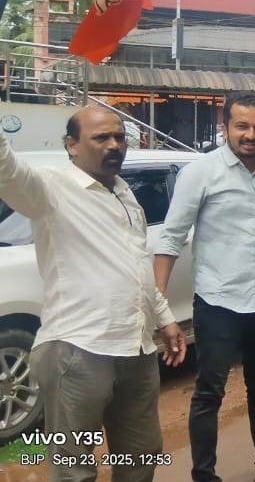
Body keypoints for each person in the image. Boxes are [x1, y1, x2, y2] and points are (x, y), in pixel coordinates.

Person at [0, 109, 184, 482]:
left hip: (137, 350)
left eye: (119, 137)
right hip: (78, 351)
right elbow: (8, 171)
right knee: (74, 467)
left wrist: (165, 319)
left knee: (141, 457)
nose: (114, 145)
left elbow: (136, 267)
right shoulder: (50, 188)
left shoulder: (125, 193)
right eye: (101, 138)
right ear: (72, 145)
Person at [155, 91, 255, 482]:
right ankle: (204, 475)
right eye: (242, 126)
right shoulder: (201, 172)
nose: (250, 135)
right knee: (209, 392)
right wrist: (160, 305)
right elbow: (171, 238)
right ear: (224, 126)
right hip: (219, 302)